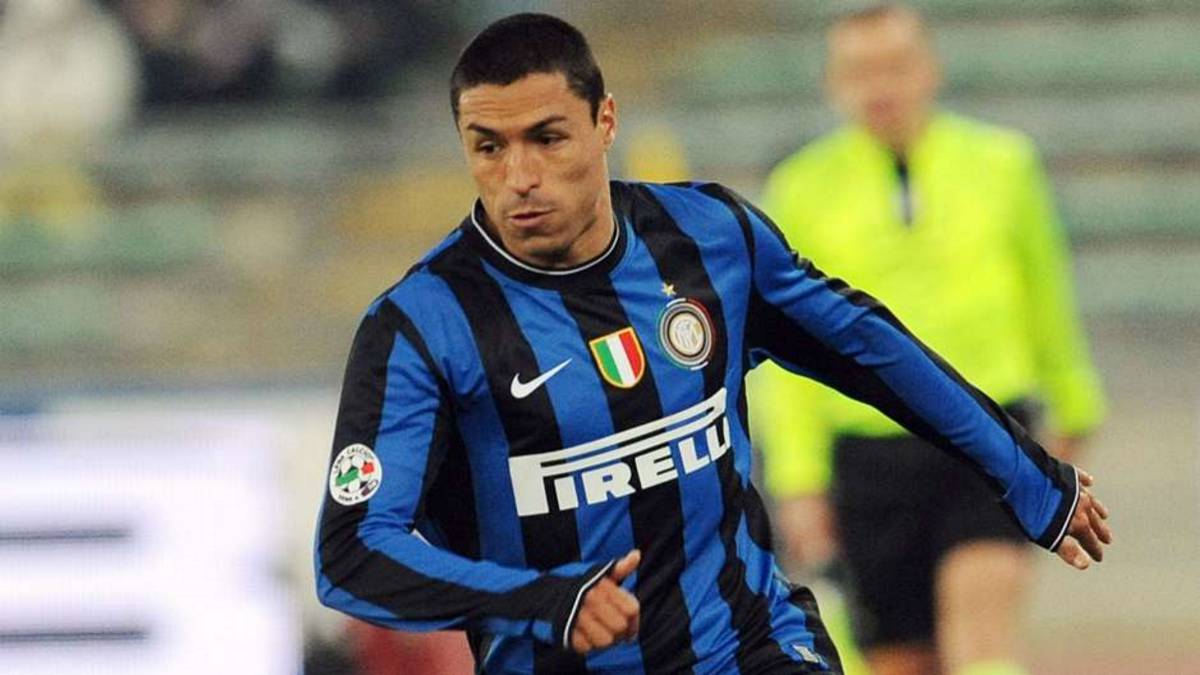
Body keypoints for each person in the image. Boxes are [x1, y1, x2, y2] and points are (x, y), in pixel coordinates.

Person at [314, 13, 1111, 675]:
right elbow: (352, 551)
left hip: (750, 642)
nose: (519, 174)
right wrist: (542, 599)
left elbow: (870, 348)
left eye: (547, 138)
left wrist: (1028, 474)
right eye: (489, 146)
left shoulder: (709, 241)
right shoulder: (420, 326)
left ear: (605, 121)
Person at [751, 5, 1107, 675]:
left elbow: (1045, 288)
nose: (879, 86)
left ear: (930, 70)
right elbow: (782, 342)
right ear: (833, 83)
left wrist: (1076, 402)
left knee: (982, 632)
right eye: (859, 72)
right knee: (899, 659)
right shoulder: (800, 188)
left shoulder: (1004, 164)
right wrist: (798, 478)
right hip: (867, 454)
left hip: (988, 432)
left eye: (895, 67)